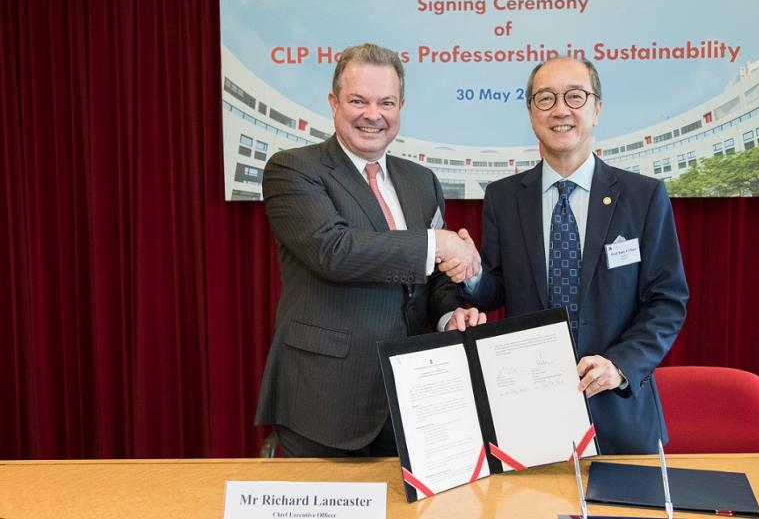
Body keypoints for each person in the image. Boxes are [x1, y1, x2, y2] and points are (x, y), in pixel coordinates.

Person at [446, 57, 688, 454]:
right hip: (529, 414)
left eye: (575, 96)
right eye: (545, 98)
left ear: (597, 109)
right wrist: (472, 274)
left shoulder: (643, 197)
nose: (560, 109)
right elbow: (497, 291)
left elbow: (667, 301)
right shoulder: (505, 197)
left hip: (621, 410)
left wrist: (621, 366)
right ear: (530, 113)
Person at [255, 43, 485, 457]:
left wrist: (450, 315)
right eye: (358, 100)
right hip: (325, 402)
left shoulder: (422, 181)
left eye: (386, 102)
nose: (372, 114)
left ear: (401, 106)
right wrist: (439, 242)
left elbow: (430, 278)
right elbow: (335, 250)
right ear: (333, 102)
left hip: (414, 402)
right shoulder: (293, 169)